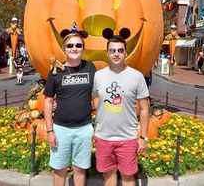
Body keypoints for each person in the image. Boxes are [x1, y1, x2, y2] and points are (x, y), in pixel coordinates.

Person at [93, 28, 149, 186]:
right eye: (112, 50)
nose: (116, 54)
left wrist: (143, 137)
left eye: (120, 50)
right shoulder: (98, 76)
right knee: (108, 177)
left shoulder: (136, 77)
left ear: (126, 52)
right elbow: (87, 99)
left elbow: (145, 109)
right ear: (107, 53)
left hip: (128, 138)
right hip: (103, 137)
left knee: (128, 178)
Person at [43, 22, 96, 186]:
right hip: (60, 129)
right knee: (59, 169)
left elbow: (99, 94)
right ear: (64, 49)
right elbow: (48, 101)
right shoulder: (55, 71)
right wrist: (50, 130)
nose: (74, 48)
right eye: (70, 45)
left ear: (83, 48)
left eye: (78, 45)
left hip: (84, 129)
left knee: (80, 169)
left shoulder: (90, 67)